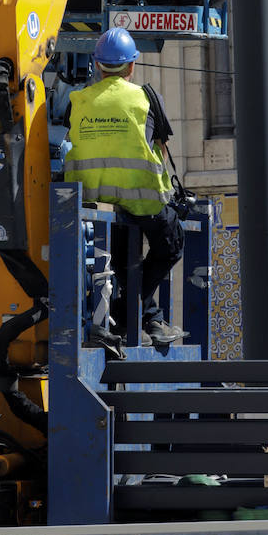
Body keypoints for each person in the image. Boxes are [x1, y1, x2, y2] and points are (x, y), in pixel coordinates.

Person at [63, 27, 185, 345]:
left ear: (97, 64)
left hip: (95, 205)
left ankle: (149, 320)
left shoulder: (78, 101)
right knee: (172, 244)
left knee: (122, 261)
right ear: (132, 65)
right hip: (142, 200)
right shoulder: (144, 99)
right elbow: (160, 148)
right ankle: (134, 311)